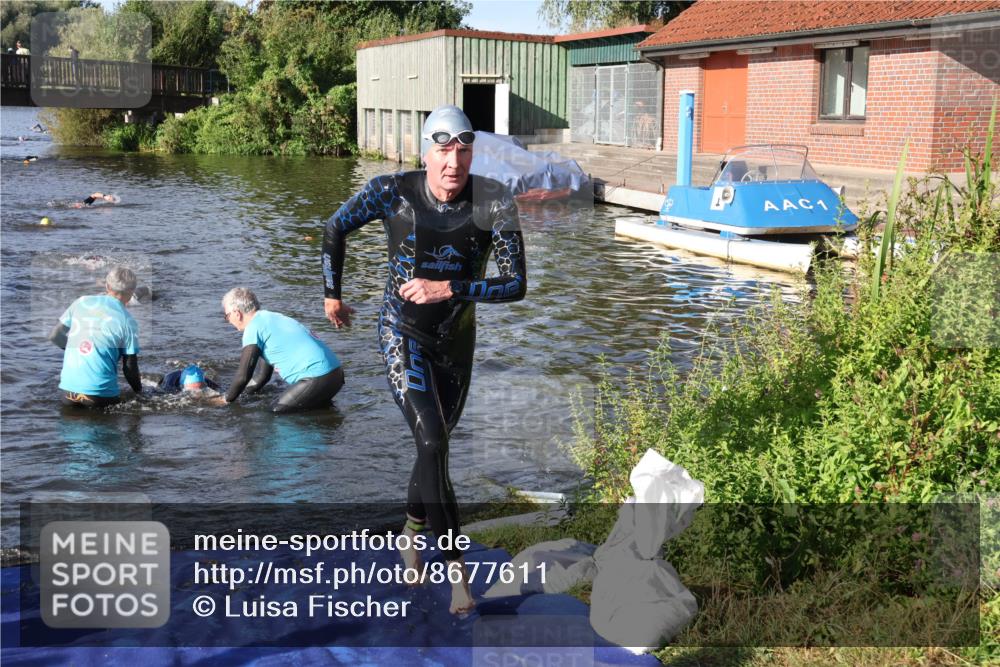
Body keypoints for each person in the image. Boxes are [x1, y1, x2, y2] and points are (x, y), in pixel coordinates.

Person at [321, 104, 527, 615]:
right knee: (434, 440)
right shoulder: (393, 191)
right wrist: (332, 295)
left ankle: (410, 532)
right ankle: (457, 578)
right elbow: (333, 228)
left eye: (462, 150)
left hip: (456, 344)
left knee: (431, 449)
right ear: (424, 153)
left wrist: (449, 287)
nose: (453, 163)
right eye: (442, 151)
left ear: (472, 152)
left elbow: (516, 284)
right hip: (402, 333)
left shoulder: (494, 201)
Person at [219, 287, 343, 413]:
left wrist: (224, 400)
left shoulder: (253, 328)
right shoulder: (271, 318)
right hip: (336, 375)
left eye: (227, 316)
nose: (228, 321)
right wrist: (241, 395)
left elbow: (243, 376)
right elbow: (261, 377)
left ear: (236, 313)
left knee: (275, 412)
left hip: (317, 378)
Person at [48, 266, 142, 408]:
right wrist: (140, 393)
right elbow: (129, 368)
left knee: (69, 428)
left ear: (107, 286)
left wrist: (79, 349)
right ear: (131, 293)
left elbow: (55, 336)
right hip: (100, 395)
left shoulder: (81, 302)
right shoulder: (128, 321)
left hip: (68, 391)